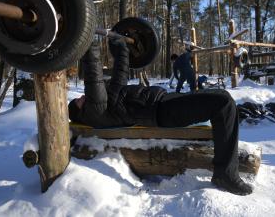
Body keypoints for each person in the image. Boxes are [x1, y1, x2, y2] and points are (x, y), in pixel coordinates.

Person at [68, 38, 253, 196]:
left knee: (223, 98)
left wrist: (121, 47)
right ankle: (225, 174)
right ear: (81, 112)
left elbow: (120, 74)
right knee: (223, 102)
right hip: (162, 112)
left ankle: (225, 169)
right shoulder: (95, 112)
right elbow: (93, 78)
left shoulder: (108, 98)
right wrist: (88, 43)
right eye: (79, 101)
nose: (82, 97)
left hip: (164, 100)